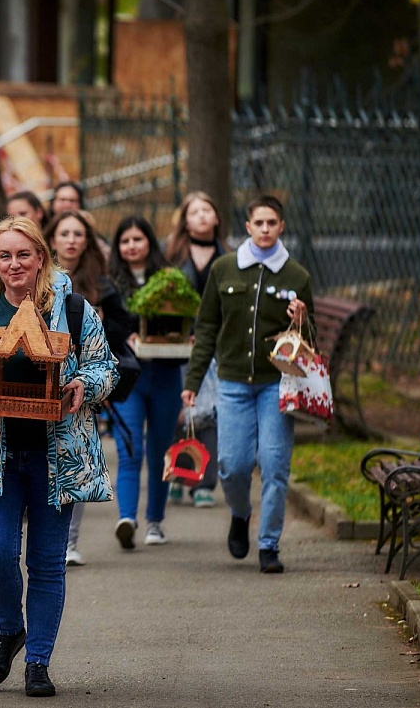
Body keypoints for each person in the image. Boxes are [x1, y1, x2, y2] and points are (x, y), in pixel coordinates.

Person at [0, 216, 117, 698]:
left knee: (46, 562)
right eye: (4, 256)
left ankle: (38, 660)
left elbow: (106, 366)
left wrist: (86, 383)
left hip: (57, 460)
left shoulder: (74, 310)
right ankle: (7, 629)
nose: (14, 264)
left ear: (41, 256)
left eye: (23, 254)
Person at [181, 195, 314, 574]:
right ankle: (240, 514)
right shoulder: (225, 269)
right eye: (260, 223)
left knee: (274, 464)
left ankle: (269, 544)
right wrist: (193, 380)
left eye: (273, 223)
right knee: (232, 465)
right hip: (233, 383)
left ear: (282, 226)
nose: (266, 229)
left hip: (277, 384)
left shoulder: (296, 276)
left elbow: (311, 342)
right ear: (248, 226)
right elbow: (206, 328)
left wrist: (302, 320)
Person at [44, 210, 134, 565]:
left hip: (80, 384)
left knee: (74, 457)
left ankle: (69, 542)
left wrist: (94, 327)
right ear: (51, 240)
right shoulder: (36, 280)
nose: (71, 240)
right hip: (40, 377)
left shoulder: (102, 282)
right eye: (64, 233)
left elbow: (120, 328)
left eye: (78, 234)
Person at [107, 215, 184, 546]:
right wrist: (126, 336)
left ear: (150, 243)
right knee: (130, 449)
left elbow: (185, 321)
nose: (131, 246)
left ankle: (155, 521)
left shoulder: (170, 281)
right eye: (125, 241)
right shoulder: (109, 284)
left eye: (138, 239)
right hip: (129, 379)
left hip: (166, 376)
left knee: (160, 451)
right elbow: (105, 328)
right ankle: (127, 518)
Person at [165, 192, 227, 507]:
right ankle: (179, 473)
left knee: (210, 414)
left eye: (207, 210)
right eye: (195, 211)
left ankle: (205, 482)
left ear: (217, 218)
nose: (202, 215)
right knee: (180, 410)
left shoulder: (230, 258)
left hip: (216, 345)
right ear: (185, 220)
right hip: (179, 344)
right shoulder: (172, 255)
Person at [49, 181, 110, 257]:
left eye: (72, 201)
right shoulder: (43, 229)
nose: (67, 205)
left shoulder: (90, 231)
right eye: (62, 200)